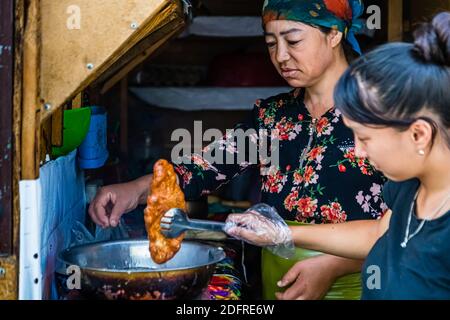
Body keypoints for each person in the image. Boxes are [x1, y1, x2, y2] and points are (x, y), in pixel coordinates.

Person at [89, 0, 386, 299]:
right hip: (281, 286)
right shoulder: (273, 117)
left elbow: (413, 225)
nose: (281, 56)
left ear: (334, 34)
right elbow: (205, 168)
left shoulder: (384, 112)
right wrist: (137, 190)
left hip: (363, 284)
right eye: (271, 44)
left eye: (293, 40)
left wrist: (333, 267)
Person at [225, 12, 450, 299]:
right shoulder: (409, 190)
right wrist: (282, 233)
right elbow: (377, 234)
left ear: (419, 134)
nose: (357, 151)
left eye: (365, 138)